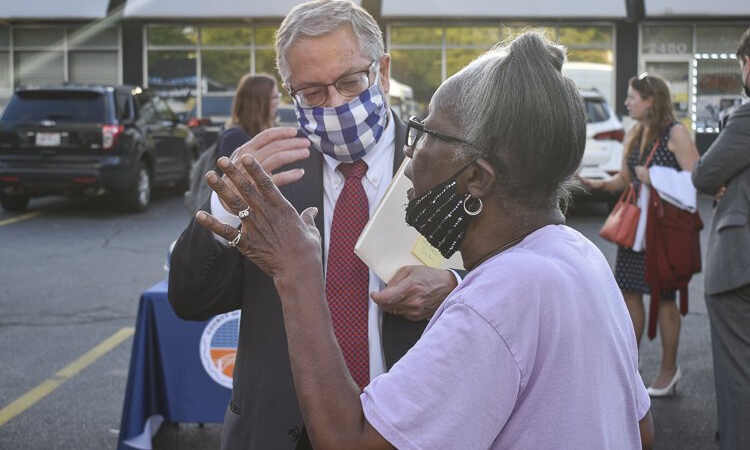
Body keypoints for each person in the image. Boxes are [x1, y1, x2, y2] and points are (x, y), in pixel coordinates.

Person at [199, 32, 654, 448]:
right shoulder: (580, 256)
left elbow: (347, 443)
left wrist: (296, 270)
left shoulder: (496, 301)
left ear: (476, 178)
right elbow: (640, 430)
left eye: (427, 134)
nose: (410, 156)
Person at [168, 0, 459, 449]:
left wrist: (453, 284)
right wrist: (226, 203)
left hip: (412, 426)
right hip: (282, 430)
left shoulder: (445, 164)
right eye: (313, 94)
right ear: (289, 93)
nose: (337, 103)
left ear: (382, 72)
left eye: (350, 82)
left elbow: (510, 277)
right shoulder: (267, 176)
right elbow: (189, 299)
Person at [581, 74, 699, 397]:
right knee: (630, 293)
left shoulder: (675, 134)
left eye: (632, 97)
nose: (626, 102)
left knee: (665, 299)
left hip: (662, 231)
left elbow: (698, 178)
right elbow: (625, 178)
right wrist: (599, 185)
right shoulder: (634, 133)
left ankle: (668, 370)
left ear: (650, 100)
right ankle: (631, 364)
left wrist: (656, 176)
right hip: (636, 233)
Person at [691, 27, 750, 450]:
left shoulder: (747, 118)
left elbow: (704, 174)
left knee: (738, 375)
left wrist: (727, 176)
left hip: (739, 266)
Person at [216, 73, 280, 158]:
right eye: (275, 97)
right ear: (258, 101)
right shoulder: (234, 138)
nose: (278, 102)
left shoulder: (267, 129)